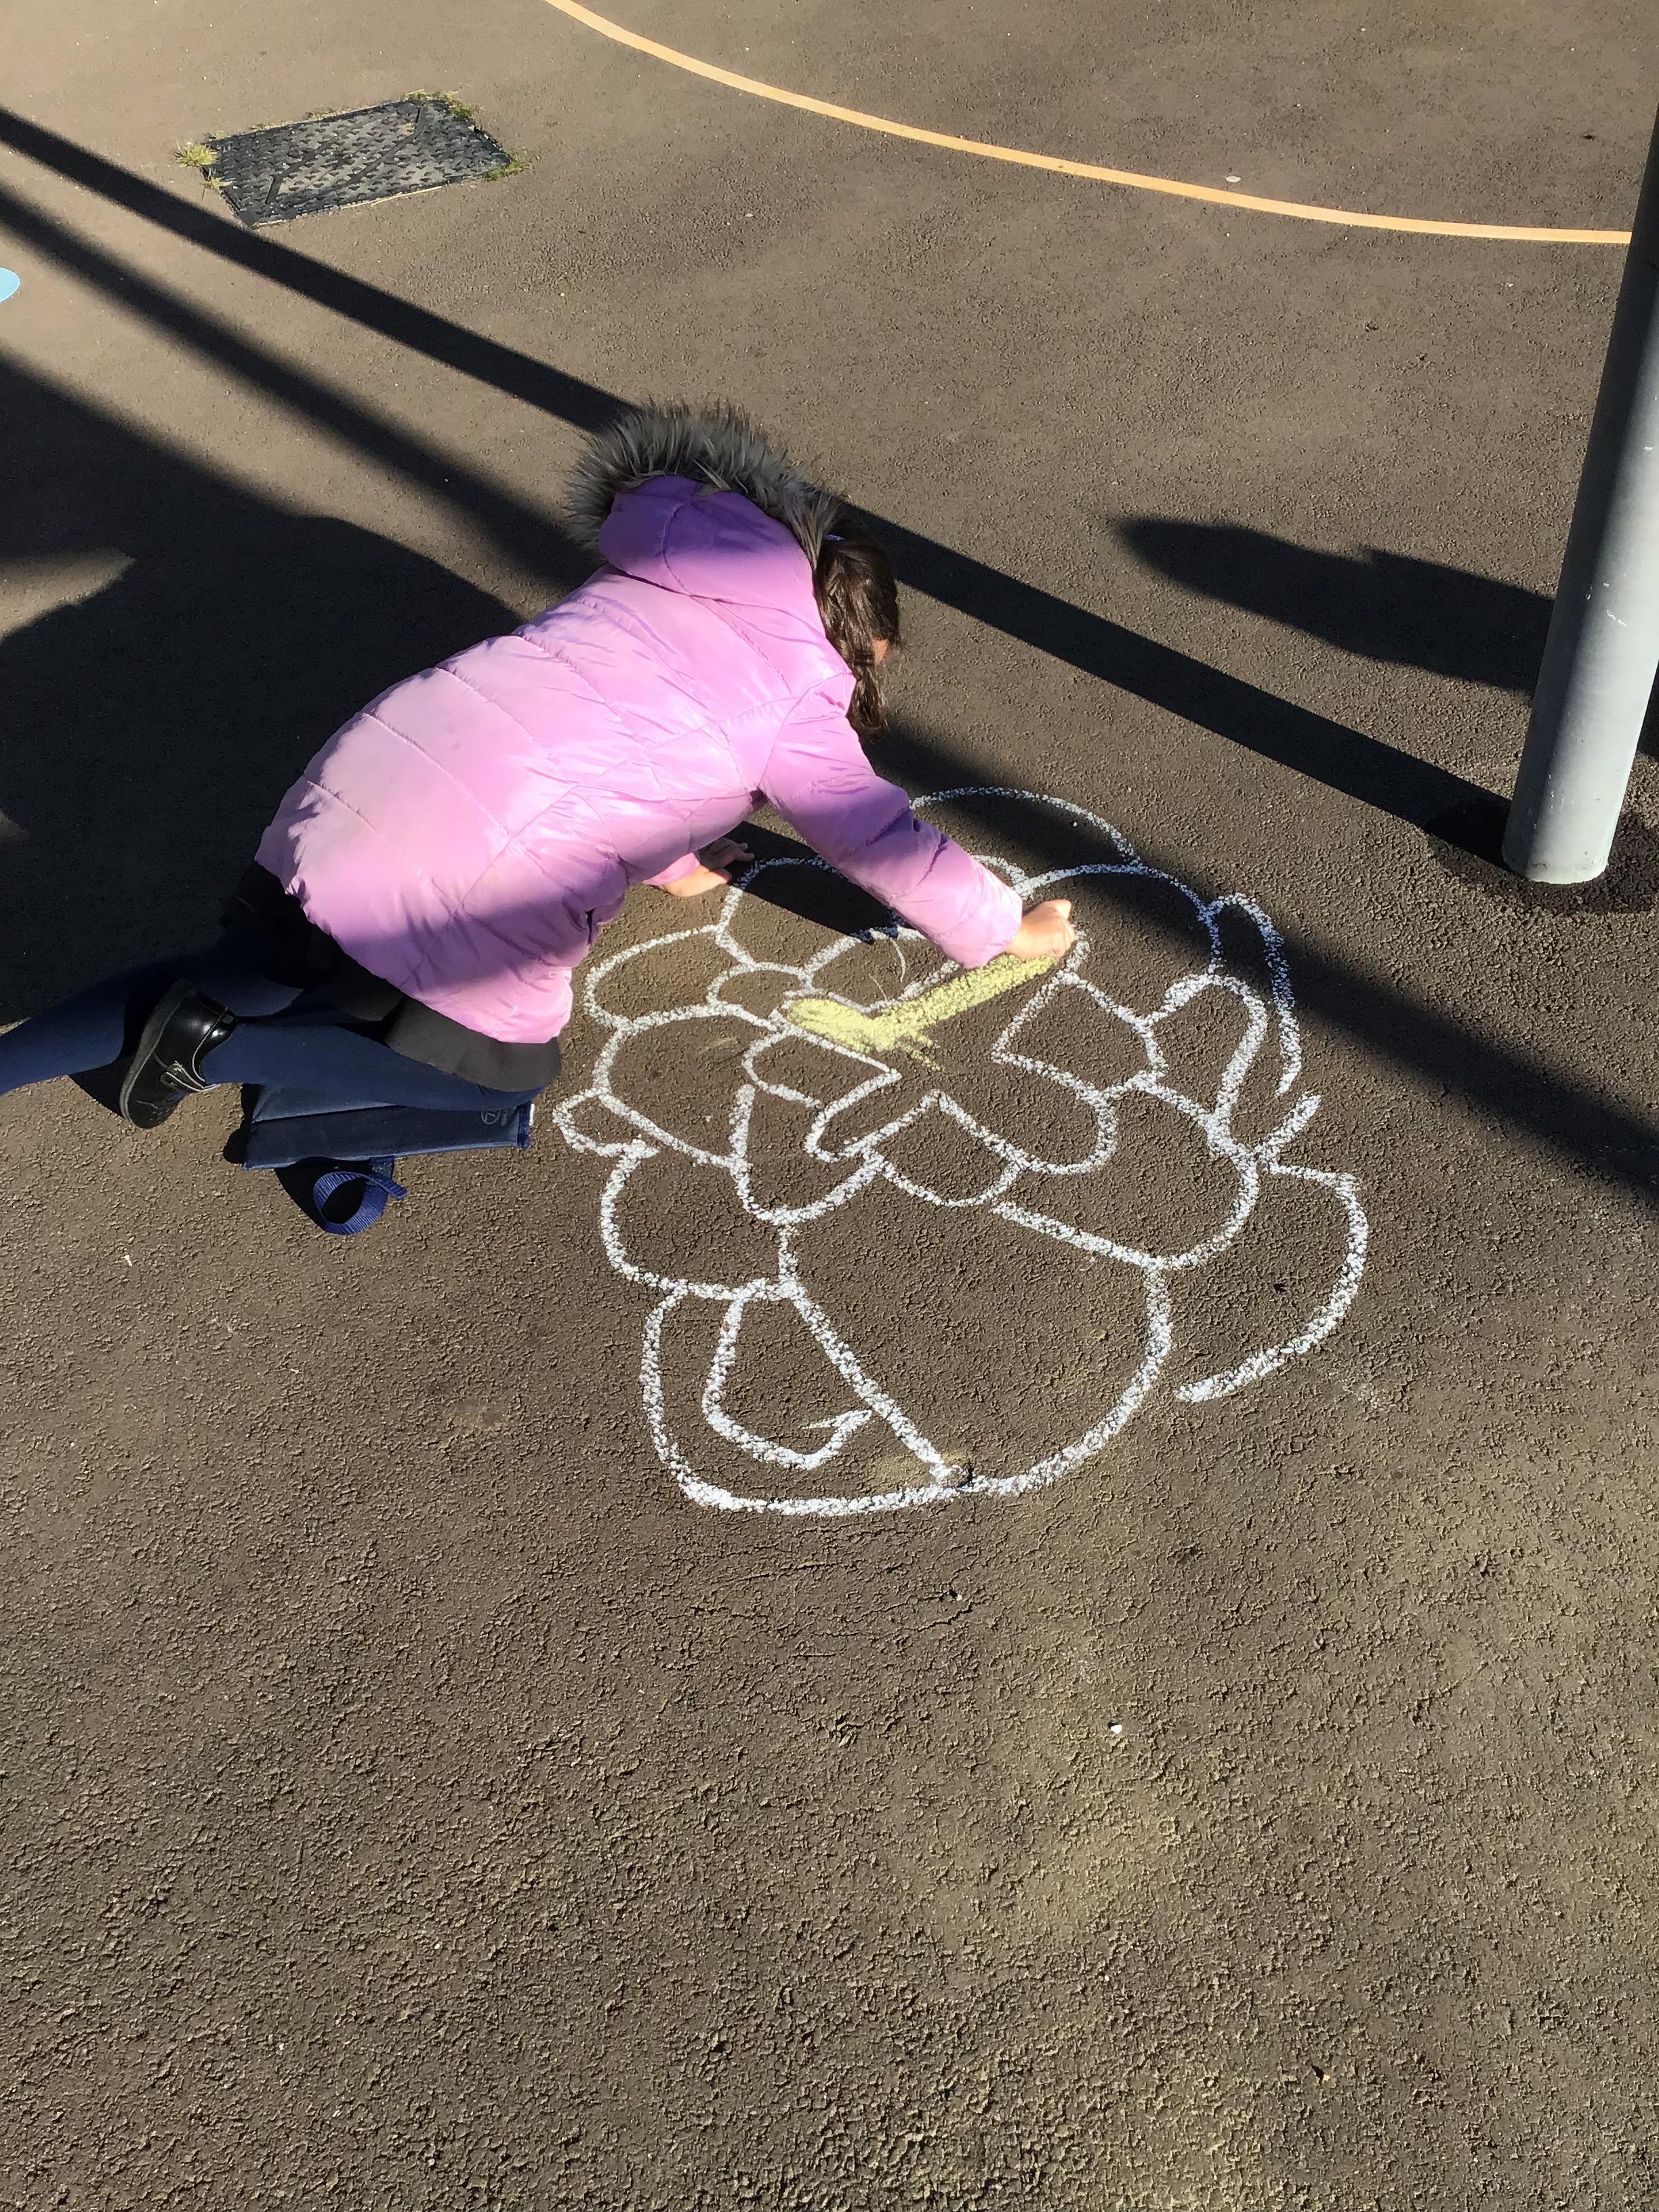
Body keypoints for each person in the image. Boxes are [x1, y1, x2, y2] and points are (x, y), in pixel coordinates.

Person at [0, 403, 1076, 1149]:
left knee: (243, 964)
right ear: (852, 642)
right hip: (469, 868)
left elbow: (610, 733)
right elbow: (881, 842)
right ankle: (222, 1054)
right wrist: (1007, 931)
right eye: (871, 669)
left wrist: (678, 862)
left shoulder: (650, 579)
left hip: (354, 783)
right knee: (507, 1076)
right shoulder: (798, 692)